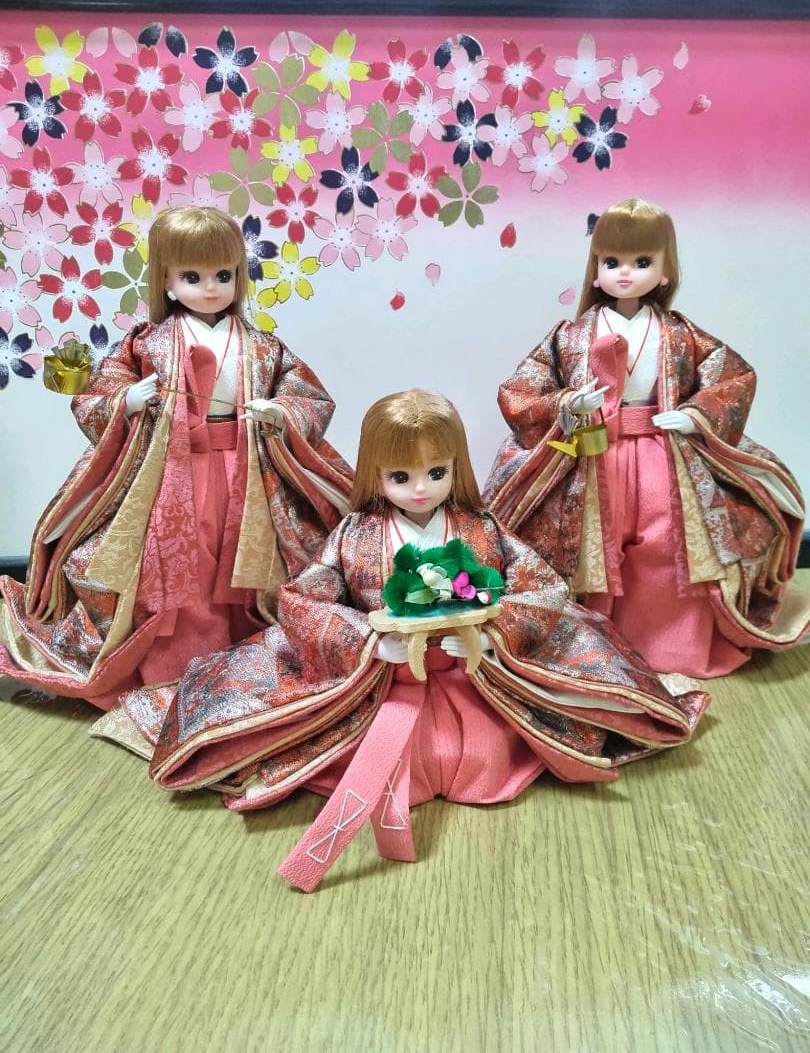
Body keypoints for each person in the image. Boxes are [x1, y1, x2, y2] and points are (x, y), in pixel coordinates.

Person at [147, 389, 707, 892]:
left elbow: (543, 585)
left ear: (455, 468)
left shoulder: (481, 526)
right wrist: (367, 641)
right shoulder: (354, 533)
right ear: (375, 475)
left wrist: (493, 637)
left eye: (436, 473)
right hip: (382, 679)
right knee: (388, 761)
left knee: (483, 758)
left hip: (475, 675)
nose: (420, 489)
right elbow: (300, 600)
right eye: (400, 477)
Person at [0, 206, 352, 716]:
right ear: (165, 280)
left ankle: (244, 657)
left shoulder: (263, 347)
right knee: (178, 562)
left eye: (223, 276)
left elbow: (309, 398)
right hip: (170, 473)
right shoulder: (147, 344)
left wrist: (280, 411)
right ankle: (171, 665)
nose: (210, 288)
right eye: (192, 277)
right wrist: (127, 400)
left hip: (245, 469)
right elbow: (97, 394)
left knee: (236, 557)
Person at [484, 198, 808, 678]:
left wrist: (695, 415)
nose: (625, 273)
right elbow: (519, 391)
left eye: (641, 262)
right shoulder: (569, 335)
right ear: (595, 270)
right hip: (593, 455)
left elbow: (733, 377)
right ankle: (598, 645)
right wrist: (567, 403)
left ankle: (670, 645)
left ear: (664, 270)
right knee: (597, 544)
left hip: (660, 451)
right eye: (611, 261)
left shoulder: (681, 334)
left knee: (663, 544)